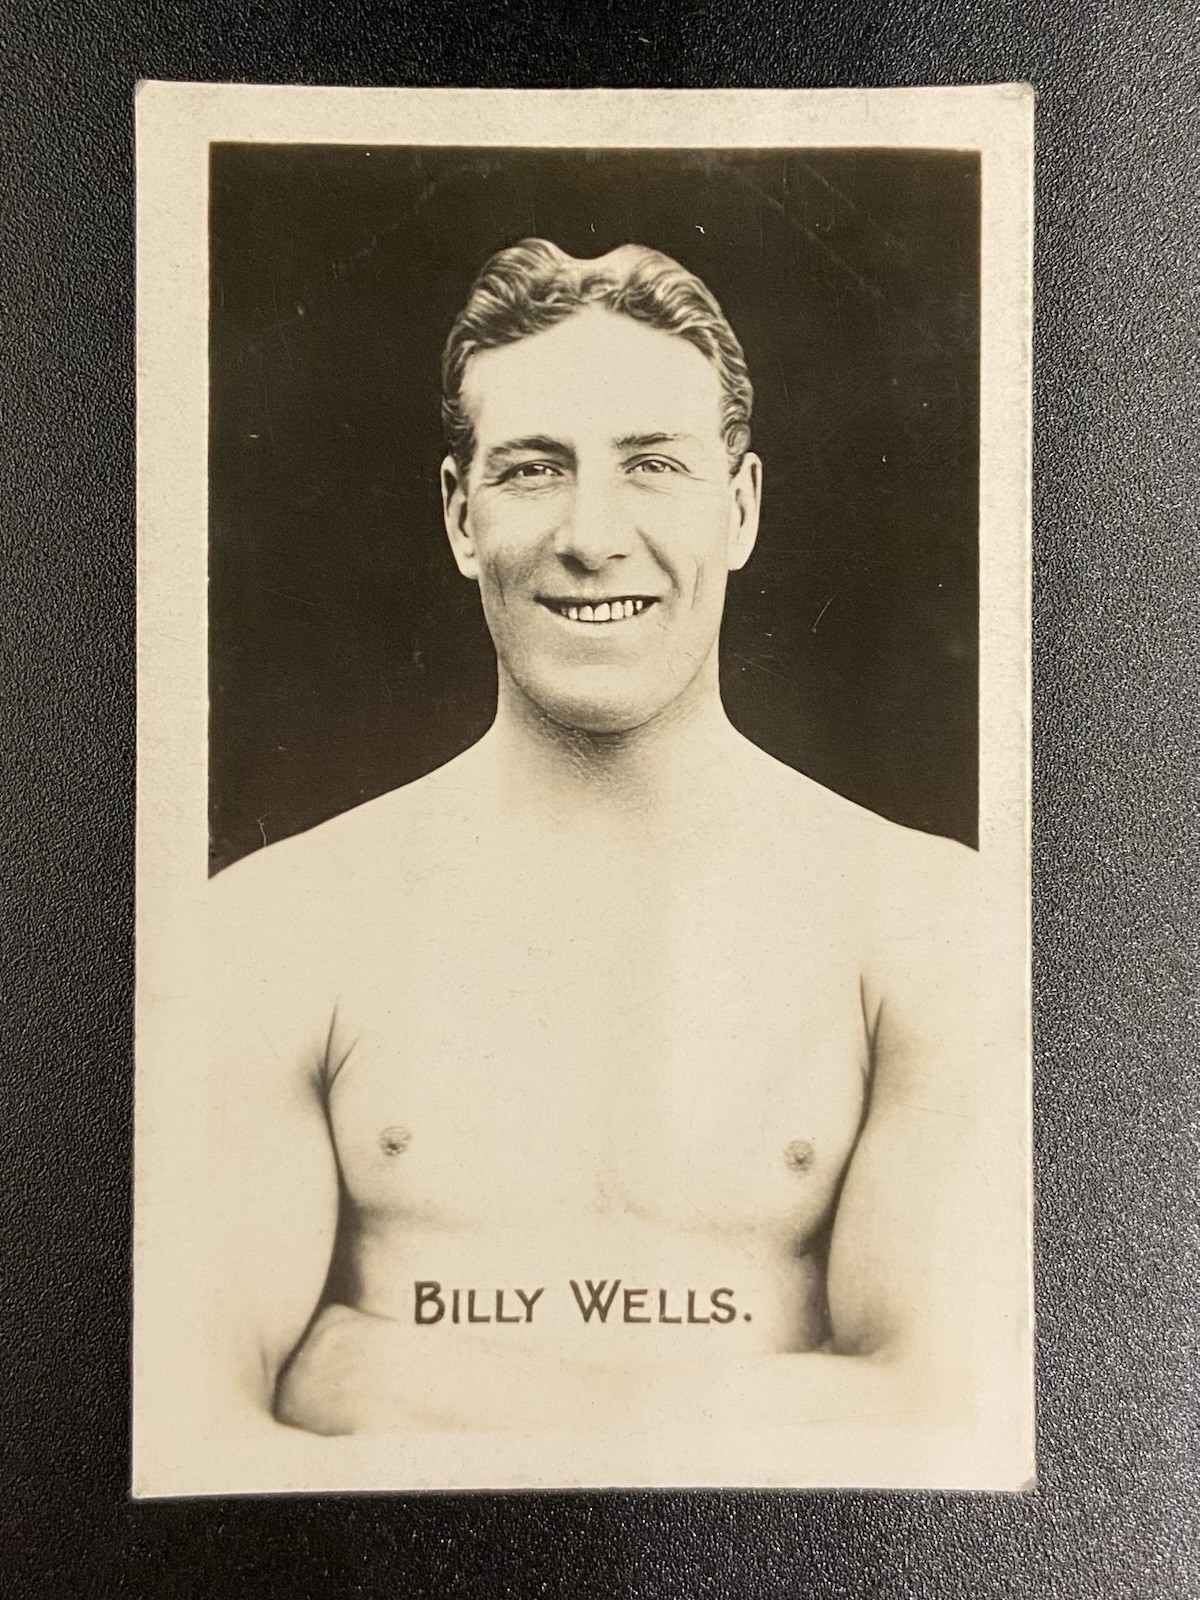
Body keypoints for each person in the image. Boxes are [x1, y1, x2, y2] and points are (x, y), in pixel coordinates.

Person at [205, 239, 982, 1442]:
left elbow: (948, 1417)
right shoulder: (275, 927)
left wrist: (405, 1384)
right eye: (533, 470)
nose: (591, 533)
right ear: (461, 516)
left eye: (653, 465)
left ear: (740, 508)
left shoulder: (929, 922)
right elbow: (188, 1433)